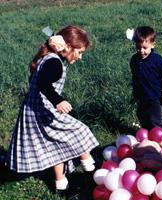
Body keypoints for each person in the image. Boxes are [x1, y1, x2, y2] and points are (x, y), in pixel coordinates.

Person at [6, 25, 99, 190]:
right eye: (80, 52)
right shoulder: (55, 63)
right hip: (43, 110)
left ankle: (61, 184)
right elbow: (43, 83)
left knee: (55, 144)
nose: (80, 57)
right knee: (79, 130)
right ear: (68, 47)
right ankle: (91, 169)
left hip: (32, 110)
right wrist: (58, 100)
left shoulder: (47, 58)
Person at [129, 26, 162, 130]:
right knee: (142, 117)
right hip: (141, 97)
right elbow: (135, 78)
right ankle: (148, 136)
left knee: (155, 119)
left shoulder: (157, 60)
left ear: (153, 45)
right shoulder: (134, 60)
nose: (141, 51)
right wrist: (135, 94)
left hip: (155, 97)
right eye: (138, 47)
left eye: (145, 48)